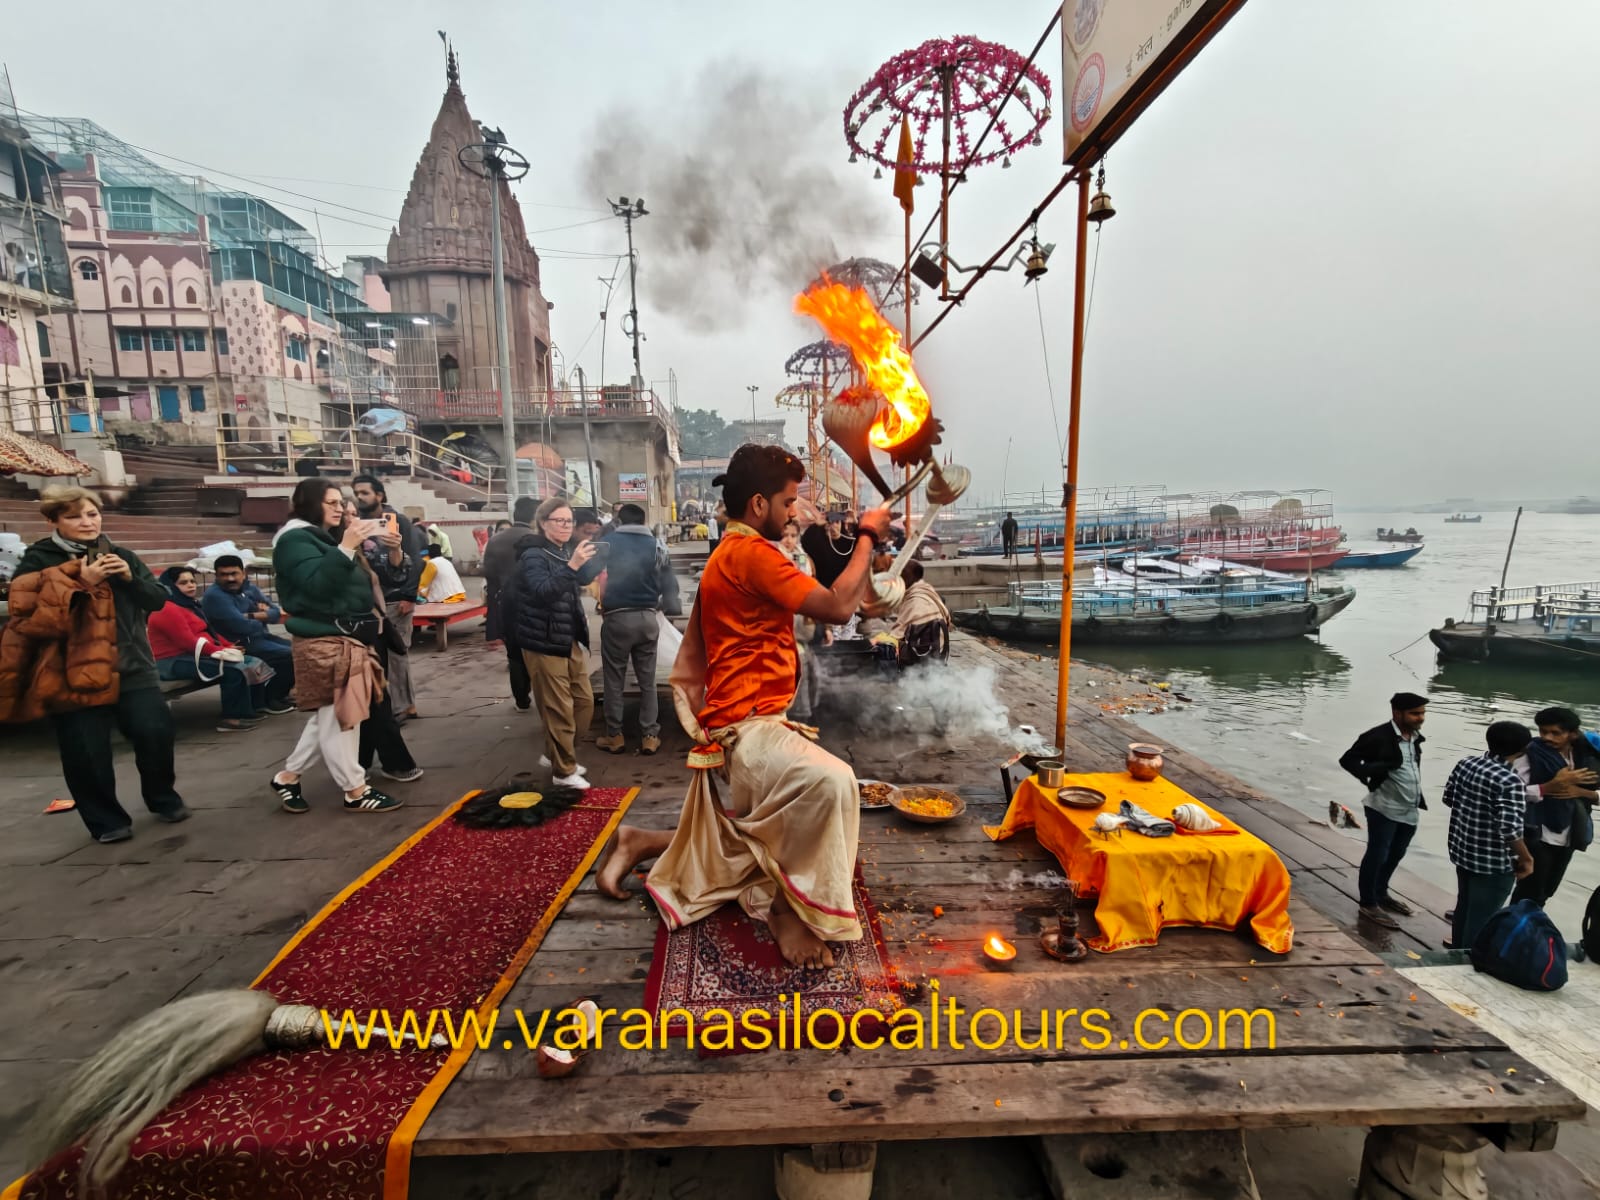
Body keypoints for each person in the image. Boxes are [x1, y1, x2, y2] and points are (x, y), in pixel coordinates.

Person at [597, 443, 892, 968]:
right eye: (787, 503)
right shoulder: (750, 554)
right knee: (833, 783)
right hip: (747, 728)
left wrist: (867, 557)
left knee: (760, 836)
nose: (793, 513)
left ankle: (641, 839)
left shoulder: (737, 552)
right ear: (758, 504)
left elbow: (851, 599)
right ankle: (785, 911)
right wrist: (867, 535)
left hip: (758, 717)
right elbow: (838, 606)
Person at [0, 486, 187, 843]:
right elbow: (29, 618)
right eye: (74, 516)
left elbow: (159, 600)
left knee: (155, 733)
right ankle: (106, 821)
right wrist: (81, 583)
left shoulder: (120, 555)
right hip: (72, 670)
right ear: (52, 520)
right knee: (86, 750)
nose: (87, 523)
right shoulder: (38, 560)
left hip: (131, 663)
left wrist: (130, 580)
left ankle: (163, 797)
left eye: (92, 514)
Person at [268, 478, 403, 814]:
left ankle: (288, 776)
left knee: (331, 715)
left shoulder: (316, 538)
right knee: (343, 714)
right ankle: (355, 790)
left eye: (339, 502)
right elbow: (316, 586)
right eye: (331, 503)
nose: (339, 508)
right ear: (309, 504)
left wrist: (375, 547)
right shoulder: (293, 540)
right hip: (324, 639)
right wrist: (345, 548)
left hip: (342, 637)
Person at [513, 498, 605, 788]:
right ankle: (562, 771)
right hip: (542, 640)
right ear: (543, 523)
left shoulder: (560, 551)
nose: (566, 527)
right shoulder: (533, 555)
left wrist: (591, 562)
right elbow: (543, 592)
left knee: (584, 701)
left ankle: (555, 753)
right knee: (558, 708)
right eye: (559, 521)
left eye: (569, 522)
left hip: (567, 637)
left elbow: (573, 582)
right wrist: (573, 565)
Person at [341, 497, 425, 784]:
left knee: (374, 698)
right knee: (368, 702)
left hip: (372, 629)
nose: (352, 519)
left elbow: (395, 574)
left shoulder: (366, 550)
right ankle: (387, 762)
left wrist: (396, 550)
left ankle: (365, 761)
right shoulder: (331, 552)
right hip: (344, 636)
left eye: (354, 514)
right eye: (346, 514)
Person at [595, 502, 682, 756]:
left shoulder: (608, 542)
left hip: (617, 619)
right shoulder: (656, 544)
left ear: (619, 521)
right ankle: (650, 736)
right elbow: (669, 581)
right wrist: (671, 606)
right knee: (647, 680)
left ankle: (615, 735)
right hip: (648, 618)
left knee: (614, 679)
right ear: (643, 522)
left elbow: (586, 572)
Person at [1443, 721, 1537, 949]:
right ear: (1523, 750)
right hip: (1492, 863)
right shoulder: (1511, 780)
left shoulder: (1466, 763)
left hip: (1462, 850)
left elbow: (1448, 798)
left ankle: (1458, 952)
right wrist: (1526, 858)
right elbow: (1509, 828)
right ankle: (1468, 961)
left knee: (1464, 906)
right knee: (1483, 916)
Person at [1338, 692, 1429, 929]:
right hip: (1383, 807)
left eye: (1422, 713)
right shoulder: (1377, 736)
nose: (1421, 718)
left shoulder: (1415, 737)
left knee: (1397, 852)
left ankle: (1381, 893)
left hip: (1409, 808)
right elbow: (1347, 760)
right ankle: (1368, 903)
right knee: (1377, 853)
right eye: (1415, 713)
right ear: (1397, 713)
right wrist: (1370, 773)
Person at [148, 566, 267, 732]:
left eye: (192, 581)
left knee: (252, 662)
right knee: (233, 669)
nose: (191, 586)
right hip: (172, 661)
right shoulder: (166, 609)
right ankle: (231, 719)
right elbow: (188, 642)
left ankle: (252, 709)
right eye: (183, 583)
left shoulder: (190, 605)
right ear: (170, 586)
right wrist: (220, 652)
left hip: (193, 656)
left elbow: (207, 631)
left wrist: (227, 646)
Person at [351, 474, 424, 720]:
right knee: (376, 655)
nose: (360, 497)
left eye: (365, 493)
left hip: (395, 597)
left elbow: (414, 560)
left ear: (379, 495)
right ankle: (392, 704)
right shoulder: (356, 524)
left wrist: (409, 595)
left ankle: (403, 707)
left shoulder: (398, 521)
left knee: (397, 653)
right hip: (369, 600)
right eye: (357, 493)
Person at [1511, 706, 1600, 907]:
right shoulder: (1530, 754)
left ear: (1573, 734)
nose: (1547, 738)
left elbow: (1594, 792)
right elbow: (1513, 794)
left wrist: (1582, 792)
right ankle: (1510, 932)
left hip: (1570, 835)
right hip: (1537, 833)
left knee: (1547, 891)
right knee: (1529, 891)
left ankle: (1529, 931)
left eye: (1555, 733)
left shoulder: (1587, 756)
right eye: (1543, 731)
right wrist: (1549, 787)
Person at [201, 554, 295, 712]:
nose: (230, 578)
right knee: (289, 655)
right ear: (216, 576)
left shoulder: (249, 588)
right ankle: (269, 699)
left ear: (243, 573)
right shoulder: (215, 596)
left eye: (234, 573)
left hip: (259, 637)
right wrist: (261, 615)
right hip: (237, 644)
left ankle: (276, 695)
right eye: (224, 575)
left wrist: (250, 616)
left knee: (299, 650)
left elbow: (276, 613)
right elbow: (242, 626)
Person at [483, 497, 538, 708]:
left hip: (507, 603)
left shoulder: (496, 540)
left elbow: (490, 577)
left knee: (514, 653)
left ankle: (521, 698)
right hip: (534, 603)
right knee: (537, 651)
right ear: (535, 517)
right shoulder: (537, 538)